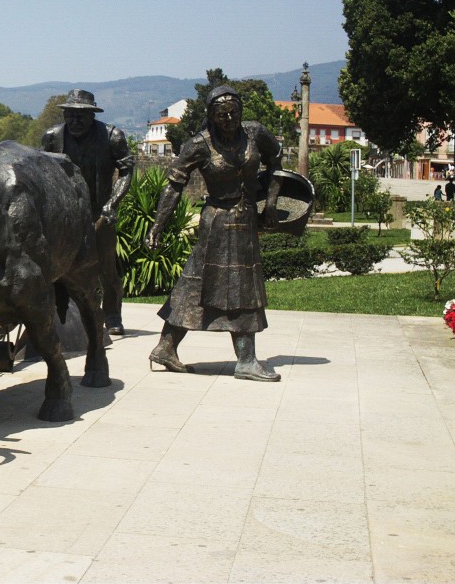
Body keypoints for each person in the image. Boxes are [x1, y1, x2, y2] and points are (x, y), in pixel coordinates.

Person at [145, 86, 282, 382]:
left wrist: (271, 202)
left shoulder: (255, 133)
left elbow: (277, 162)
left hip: (246, 220)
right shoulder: (199, 144)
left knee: (215, 285)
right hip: (217, 223)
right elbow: (174, 186)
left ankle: (166, 347)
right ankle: (245, 360)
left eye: (234, 113)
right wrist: (157, 226)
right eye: (222, 115)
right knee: (209, 284)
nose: (229, 119)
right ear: (211, 115)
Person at [41, 90, 134, 335]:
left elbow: (126, 171)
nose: (75, 121)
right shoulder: (52, 137)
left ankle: (112, 315)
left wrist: (112, 204)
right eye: (70, 115)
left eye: (81, 116)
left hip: (100, 213)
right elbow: (41, 173)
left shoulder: (112, 137)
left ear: (92, 116)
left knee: (106, 266)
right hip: (65, 215)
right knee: (59, 265)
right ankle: (59, 315)